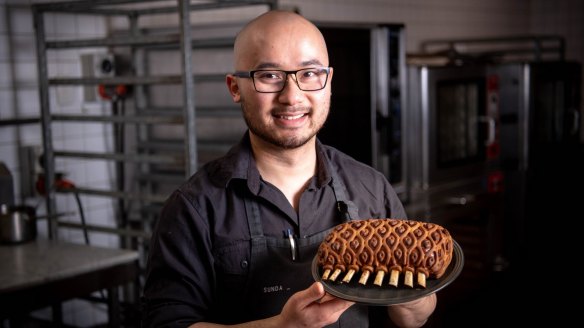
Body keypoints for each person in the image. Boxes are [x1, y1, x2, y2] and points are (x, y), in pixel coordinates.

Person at [141, 10, 436, 328]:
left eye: (309, 74)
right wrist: (283, 326)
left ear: (329, 82)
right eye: (270, 76)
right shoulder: (194, 208)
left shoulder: (371, 188)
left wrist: (414, 297)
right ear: (235, 87)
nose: (292, 96)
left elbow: (414, 319)